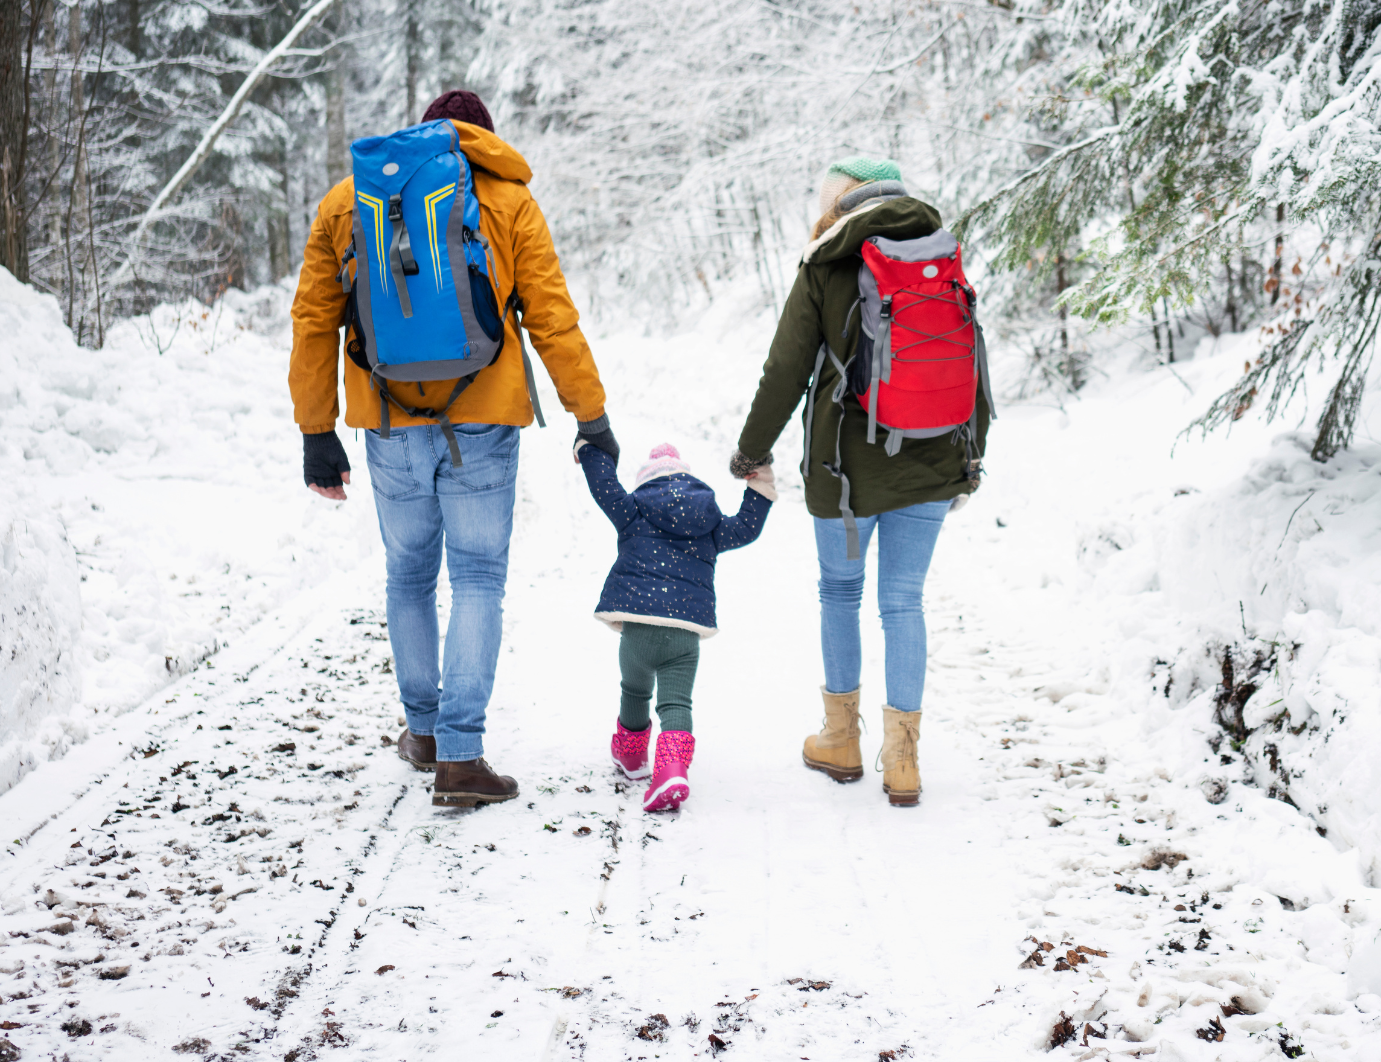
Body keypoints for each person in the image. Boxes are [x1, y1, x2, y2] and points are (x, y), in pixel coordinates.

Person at [288, 90, 620, 807]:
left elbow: (314, 318)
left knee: (408, 574)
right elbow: (551, 315)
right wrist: (589, 414)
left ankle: (425, 732)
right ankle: (462, 758)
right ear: (481, 140)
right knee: (476, 579)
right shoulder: (506, 198)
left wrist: (316, 428)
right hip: (484, 419)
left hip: (387, 415)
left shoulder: (351, 201)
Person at [729, 157, 993, 807]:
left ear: (840, 200)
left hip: (843, 472)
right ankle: (902, 761)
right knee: (904, 600)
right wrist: (971, 457)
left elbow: (785, 370)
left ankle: (841, 740)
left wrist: (751, 451)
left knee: (840, 594)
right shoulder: (939, 251)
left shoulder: (826, 261)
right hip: (934, 458)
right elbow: (972, 355)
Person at [576, 441, 774, 812]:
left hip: (638, 629)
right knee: (676, 703)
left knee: (635, 691)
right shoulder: (708, 522)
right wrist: (759, 481)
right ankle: (671, 770)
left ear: (648, 481)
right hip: (685, 632)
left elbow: (604, 487)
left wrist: (591, 448)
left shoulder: (634, 509)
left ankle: (631, 758)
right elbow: (747, 527)